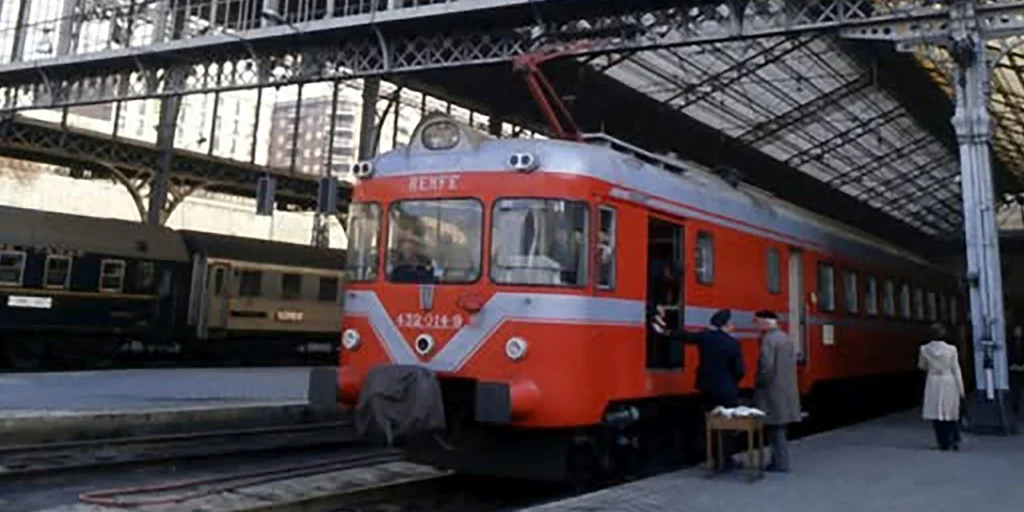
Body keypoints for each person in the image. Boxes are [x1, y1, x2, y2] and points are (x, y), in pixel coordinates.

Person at [653, 308, 745, 470]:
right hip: (727, 390)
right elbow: (739, 370)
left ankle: (714, 458)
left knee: (712, 423)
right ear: (725, 325)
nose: (733, 326)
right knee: (728, 426)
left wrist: (663, 330)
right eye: (731, 323)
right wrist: (733, 382)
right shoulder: (733, 343)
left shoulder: (705, 338)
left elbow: (684, 336)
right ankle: (726, 461)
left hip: (707, 388)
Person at [753, 309, 801, 472]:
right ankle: (780, 461)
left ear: (765, 323)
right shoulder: (785, 338)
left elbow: (766, 366)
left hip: (772, 391)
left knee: (775, 430)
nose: (756, 326)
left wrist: (758, 381)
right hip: (785, 389)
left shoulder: (768, 340)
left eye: (757, 322)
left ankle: (779, 463)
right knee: (780, 428)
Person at [919, 323, 966, 451]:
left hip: (933, 381)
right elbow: (956, 369)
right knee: (949, 411)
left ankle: (942, 442)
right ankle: (953, 438)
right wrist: (961, 389)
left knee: (936, 413)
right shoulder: (952, 350)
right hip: (948, 380)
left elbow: (922, 366)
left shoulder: (924, 349)